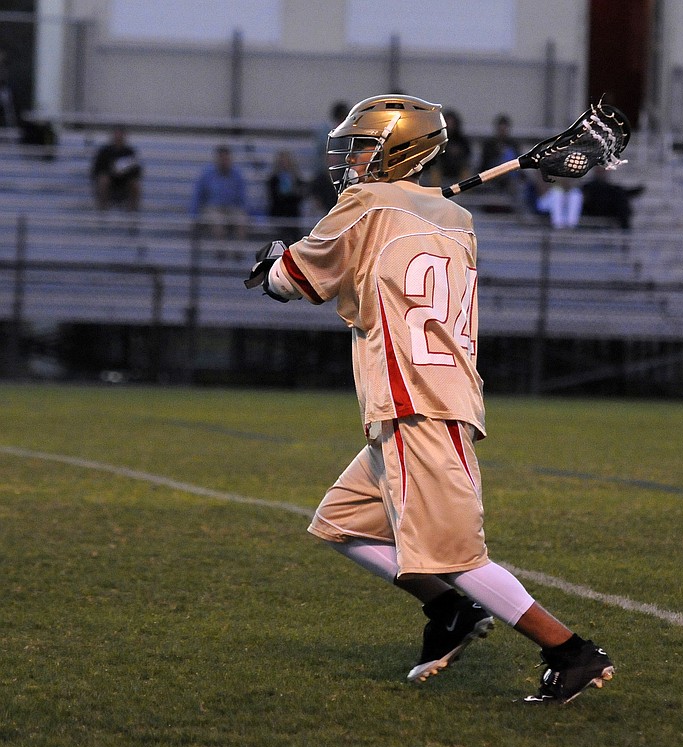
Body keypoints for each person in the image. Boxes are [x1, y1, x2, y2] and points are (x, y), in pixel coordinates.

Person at [246, 94, 615, 705]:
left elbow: (297, 281)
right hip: (429, 396)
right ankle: (451, 614)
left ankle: (570, 651)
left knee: (456, 554)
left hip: (416, 400)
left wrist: (272, 264)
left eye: (363, 145)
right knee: (341, 523)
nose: (353, 159)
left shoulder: (365, 205)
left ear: (397, 149)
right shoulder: (454, 220)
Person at [190, 144, 250, 256]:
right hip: (213, 208)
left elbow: (242, 198)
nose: (224, 161)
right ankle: (220, 251)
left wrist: (244, 211)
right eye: (221, 158)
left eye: (226, 158)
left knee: (242, 220)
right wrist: (194, 216)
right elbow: (198, 196)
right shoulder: (207, 175)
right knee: (218, 221)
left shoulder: (237, 175)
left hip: (232, 208)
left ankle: (238, 251)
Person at [310, 100, 351, 213]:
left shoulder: (348, 133)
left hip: (342, 173)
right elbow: (324, 155)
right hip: (327, 175)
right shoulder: (325, 133)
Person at [90, 126, 143, 211]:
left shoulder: (129, 152)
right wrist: (112, 171)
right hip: (110, 180)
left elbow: (136, 170)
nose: (118, 138)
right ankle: (103, 209)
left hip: (124, 181)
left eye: (120, 136)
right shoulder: (104, 152)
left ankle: (132, 211)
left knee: (135, 183)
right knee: (103, 180)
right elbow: (96, 170)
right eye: (116, 136)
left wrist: (124, 172)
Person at [478, 113, 522, 212]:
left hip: (510, 175)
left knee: (509, 155)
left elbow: (519, 163)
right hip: (492, 174)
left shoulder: (513, 144)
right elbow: (484, 164)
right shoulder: (489, 145)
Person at [580, 166, 645, 230]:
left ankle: (625, 229)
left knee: (620, 198)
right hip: (592, 211)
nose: (601, 172)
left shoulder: (613, 190)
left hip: (609, 211)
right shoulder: (586, 188)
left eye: (603, 170)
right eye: (599, 169)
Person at [423, 108, 472, 188]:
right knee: (435, 171)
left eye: (452, 123)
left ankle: (465, 193)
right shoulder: (437, 138)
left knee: (466, 172)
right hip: (441, 165)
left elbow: (467, 155)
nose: (450, 125)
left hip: (458, 166)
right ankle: (437, 191)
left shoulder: (462, 140)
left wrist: (457, 154)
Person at [266, 149, 305, 246]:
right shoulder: (273, 179)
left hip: (293, 211)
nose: (284, 164)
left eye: (286, 161)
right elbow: (273, 196)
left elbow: (300, 195)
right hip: (279, 210)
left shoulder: (296, 178)